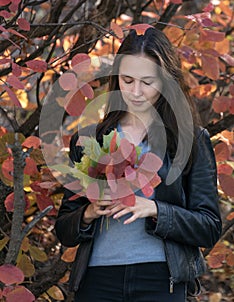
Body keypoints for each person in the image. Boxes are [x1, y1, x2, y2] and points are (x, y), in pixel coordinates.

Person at [55, 28, 222, 302]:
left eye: (147, 82)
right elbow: (65, 229)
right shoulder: (87, 140)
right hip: (97, 280)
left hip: (160, 279)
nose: (135, 92)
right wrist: (89, 212)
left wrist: (155, 209)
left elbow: (209, 226)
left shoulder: (190, 140)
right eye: (127, 79)